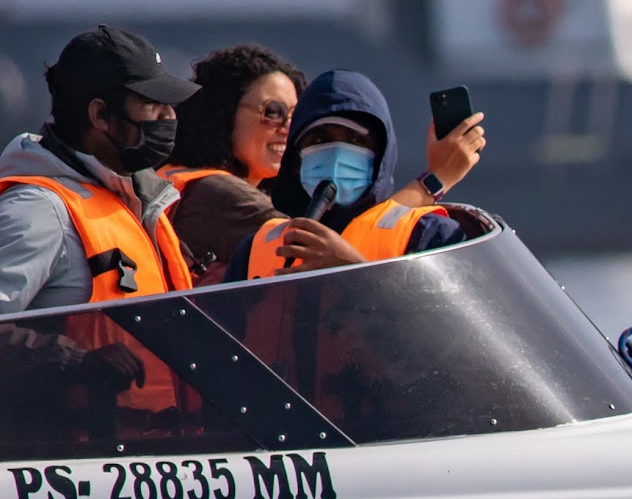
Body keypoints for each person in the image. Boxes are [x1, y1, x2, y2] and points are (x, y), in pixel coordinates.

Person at [0, 25, 199, 314]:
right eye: (152, 104)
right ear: (100, 114)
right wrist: (70, 357)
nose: (169, 116)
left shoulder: (134, 195)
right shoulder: (38, 211)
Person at [225, 69, 478, 281]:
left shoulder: (430, 236)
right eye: (319, 139)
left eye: (355, 139)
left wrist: (352, 271)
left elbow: (452, 335)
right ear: (295, 160)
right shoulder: (254, 251)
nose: (336, 153)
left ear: (381, 157)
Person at [160, 44, 305, 276]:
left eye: (295, 115)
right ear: (223, 113)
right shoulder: (218, 195)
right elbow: (317, 250)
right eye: (273, 112)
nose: (288, 127)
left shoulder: (176, 179)